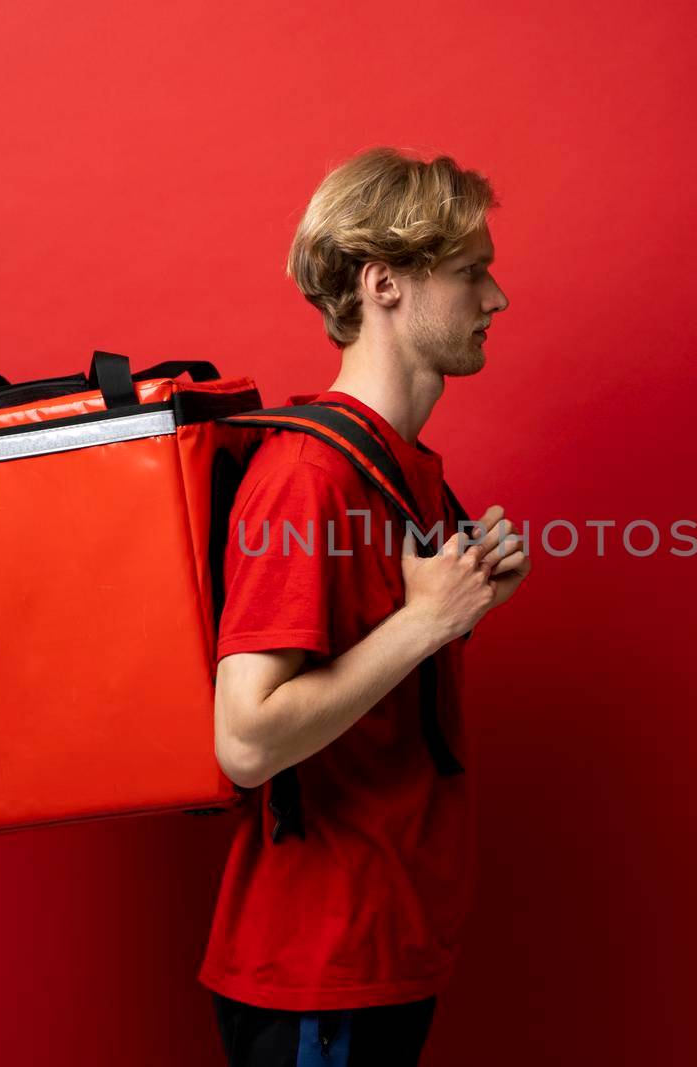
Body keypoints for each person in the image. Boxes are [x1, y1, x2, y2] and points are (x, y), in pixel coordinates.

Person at [198, 146, 529, 1066]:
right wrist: (427, 621)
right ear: (384, 283)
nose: (495, 300)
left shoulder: (405, 469)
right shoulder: (308, 477)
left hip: (388, 951)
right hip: (319, 965)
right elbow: (247, 738)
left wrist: (461, 603)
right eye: (471, 273)